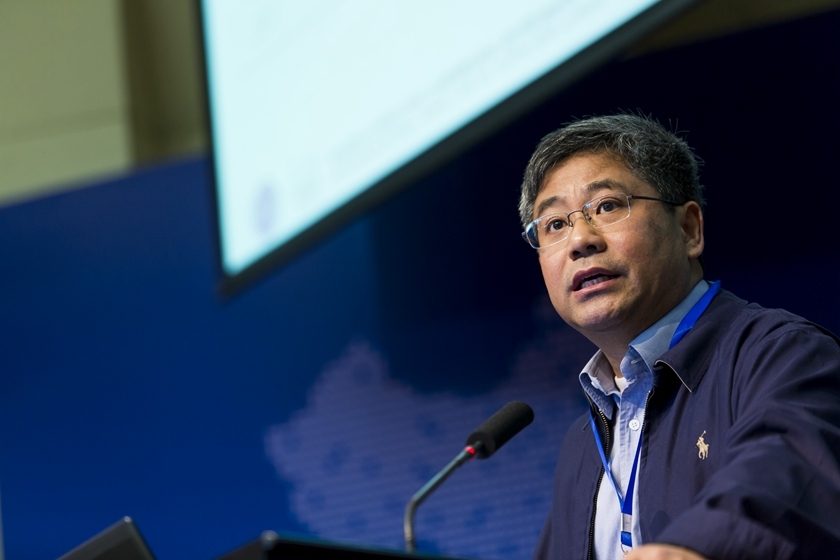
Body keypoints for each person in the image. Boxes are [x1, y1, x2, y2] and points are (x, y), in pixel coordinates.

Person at [519, 114, 840, 560]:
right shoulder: (580, 446)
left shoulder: (782, 355)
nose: (580, 241)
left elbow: (788, 475)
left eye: (607, 206)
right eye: (555, 224)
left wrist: (691, 548)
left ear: (689, 229)